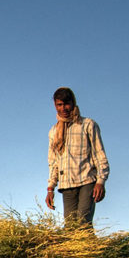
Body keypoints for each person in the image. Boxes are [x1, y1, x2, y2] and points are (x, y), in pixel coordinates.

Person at [45, 87, 109, 226]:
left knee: (83, 223)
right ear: (55, 106)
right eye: (59, 105)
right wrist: (50, 188)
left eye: (67, 103)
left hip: (87, 181)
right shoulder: (54, 131)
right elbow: (53, 162)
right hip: (67, 184)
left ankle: (92, 247)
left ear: (73, 103)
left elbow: (99, 154)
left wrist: (100, 181)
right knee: (70, 227)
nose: (64, 108)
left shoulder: (88, 125)